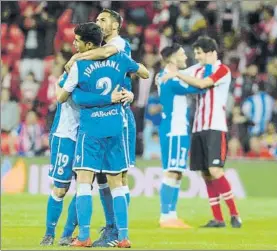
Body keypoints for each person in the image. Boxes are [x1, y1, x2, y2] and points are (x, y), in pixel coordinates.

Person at [56, 22, 149, 248]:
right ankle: (123, 237)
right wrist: (125, 92)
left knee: (84, 183)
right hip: (116, 127)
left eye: (77, 40)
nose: (74, 43)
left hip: (91, 131)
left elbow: (64, 98)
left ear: (88, 44)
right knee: (117, 183)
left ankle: (84, 235)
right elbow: (144, 73)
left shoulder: (80, 65)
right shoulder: (121, 59)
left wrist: (81, 93)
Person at [40, 64, 124, 246]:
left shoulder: (96, 75)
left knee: (84, 186)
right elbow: (66, 95)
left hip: (88, 136)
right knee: (61, 189)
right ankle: (49, 233)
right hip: (65, 136)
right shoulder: (72, 74)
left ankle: (67, 234)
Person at [162, 36, 242, 228]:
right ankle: (218, 218)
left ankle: (234, 214)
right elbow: (177, 72)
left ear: (211, 53)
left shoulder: (222, 70)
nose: (196, 56)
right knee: (205, 173)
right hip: (198, 127)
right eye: (195, 53)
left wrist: (177, 75)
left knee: (215, 170)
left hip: (215, 126)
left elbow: (203, 84)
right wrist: (169, 72)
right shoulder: (196, 69)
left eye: (199, 53)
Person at [157, 43, 205, 228]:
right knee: (171, 172)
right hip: (174, 130)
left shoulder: (167, 76)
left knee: (176, 173)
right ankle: (165, 216)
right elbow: (199, 87)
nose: (186, 57)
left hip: (177, 129)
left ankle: (171, 215)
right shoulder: (170, 80)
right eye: (182, 54)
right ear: (172, 58)